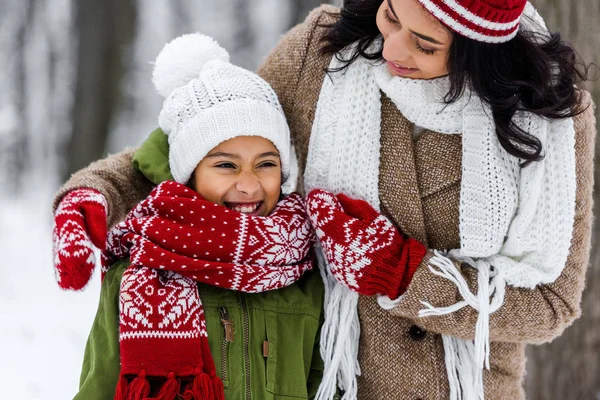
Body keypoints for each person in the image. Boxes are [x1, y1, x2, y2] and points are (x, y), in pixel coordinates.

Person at [52, 0, 597, 398]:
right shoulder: (324, 54)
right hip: (326, 380)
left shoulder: (549, 118)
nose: (392, 48)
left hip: (466, 389)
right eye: (390, 15)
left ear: (482, 53)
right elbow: (210, 138)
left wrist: (401, 272)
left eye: (425, 43)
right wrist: (95, 195)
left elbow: (549, 303)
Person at [54, 33, 324, 400]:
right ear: (189, 174)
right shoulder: (136, 274)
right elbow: (98, 389)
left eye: (266, 164)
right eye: (226, 165)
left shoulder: (305, 273)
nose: (249, 185)